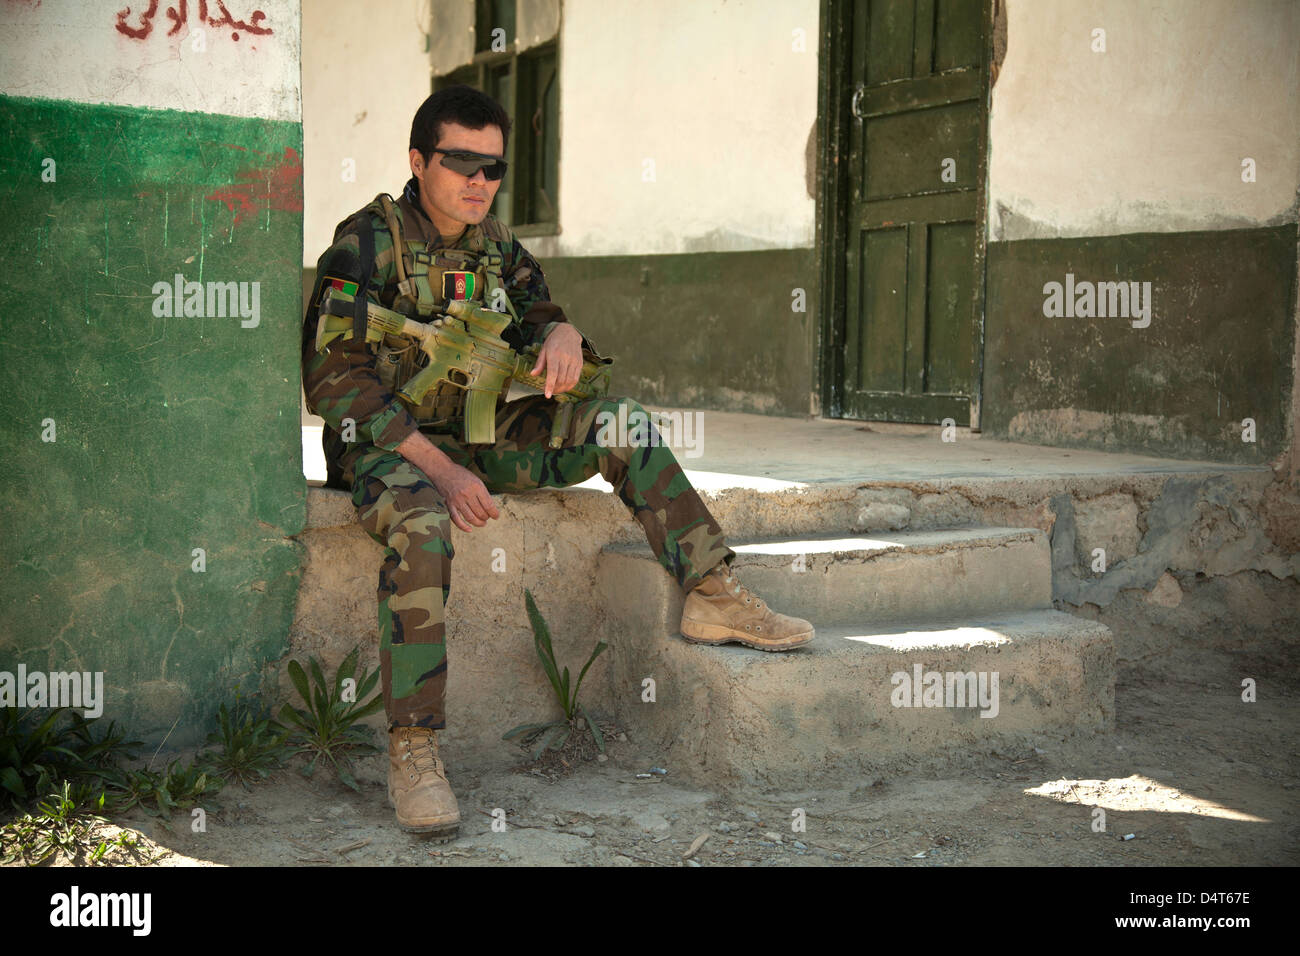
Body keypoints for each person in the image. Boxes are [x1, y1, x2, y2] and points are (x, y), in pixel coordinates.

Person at [300, 85, 814, 841]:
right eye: (460, 162)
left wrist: (564, 334)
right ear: (418, 161)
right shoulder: (365, 243)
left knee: (623, 425)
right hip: (388, 446)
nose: (479, 181)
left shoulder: (496, 244)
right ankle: (414, 749)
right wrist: (441, 472)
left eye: (493, 167)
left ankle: (710, 590)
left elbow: (540, 309)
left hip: (480, 431)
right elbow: (331, 381)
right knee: (421, 520)